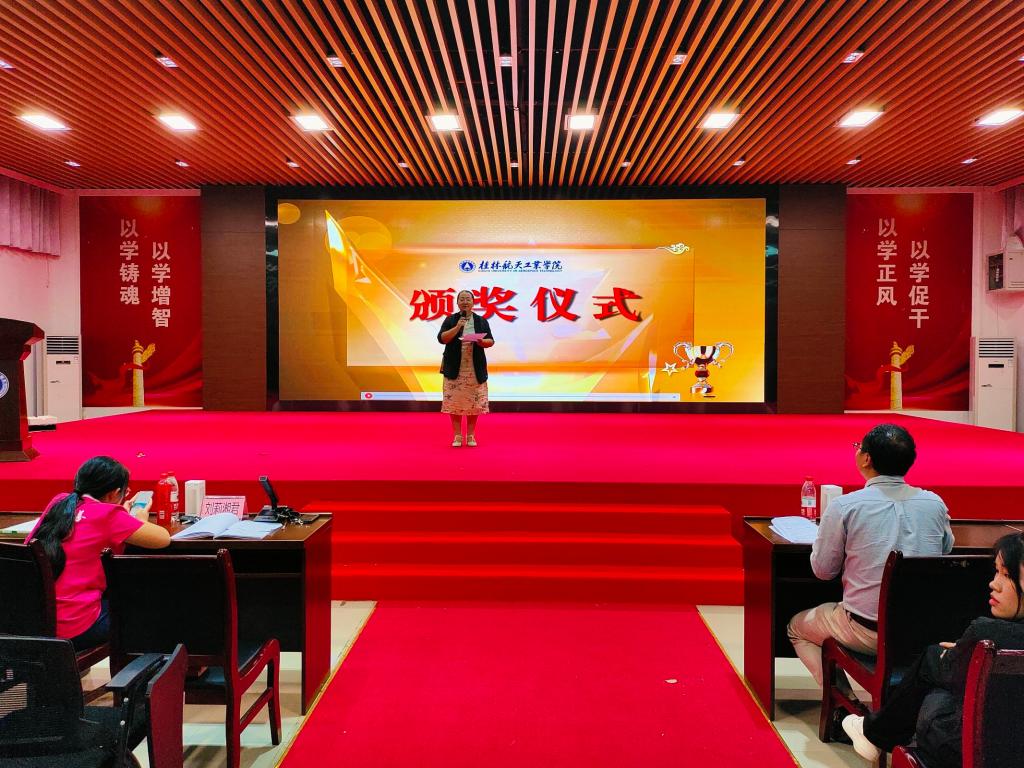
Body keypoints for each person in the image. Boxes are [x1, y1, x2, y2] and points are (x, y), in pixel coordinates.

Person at [788, 423, 954, 685]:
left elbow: (823, 571)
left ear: (866, 458)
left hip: (866, 630)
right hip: (922, 628)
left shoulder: (845, 506)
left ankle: (839, 700)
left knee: (797, 627)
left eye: (858, 447)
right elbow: (944, 551)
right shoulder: (934, 504)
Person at [842, 532, 1024, 767]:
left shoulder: (986, 633)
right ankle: (874, 732)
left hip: (972, 748)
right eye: (997, 571)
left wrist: (960, 652)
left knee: (934, 665)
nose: (994, 583)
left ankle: (875, 733)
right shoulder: (994, 635)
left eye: (1007, 575)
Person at [28, 455, 171, 651]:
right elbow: (163, 538)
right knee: (151, 607)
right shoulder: (109, 515)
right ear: (115, 493)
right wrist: (138, 518)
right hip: (75, 626)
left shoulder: (59, 502)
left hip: (33, 621)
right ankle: (147, 667)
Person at [437, 289, 495, 447]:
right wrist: (457, 327)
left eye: (468, 299)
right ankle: (457, 436)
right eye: (461, 299)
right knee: (455, 403)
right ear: (457, 303)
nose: (465, 302)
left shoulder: (481, 321)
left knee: (473, 403)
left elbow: (490, 341)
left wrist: (481, 342)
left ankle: (470, 435)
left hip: (474, 368)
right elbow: (442, 339)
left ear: (473, 302)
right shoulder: (451, 319)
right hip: (454, 367)